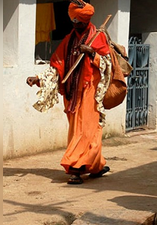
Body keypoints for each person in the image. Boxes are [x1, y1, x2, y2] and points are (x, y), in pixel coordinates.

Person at [26, 0, 112, 184]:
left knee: (86, 131)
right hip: (72, 93)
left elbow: (108, 64)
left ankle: (75, 168)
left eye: (79, 22)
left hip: (90, 91)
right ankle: (95, 166)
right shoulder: (68, 40)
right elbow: (57, 66)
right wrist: (38, 79)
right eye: (73, 21)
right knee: (81, 132)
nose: (75, 25)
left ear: (86, 21)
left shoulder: (98, 37)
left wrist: (92, 53)